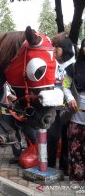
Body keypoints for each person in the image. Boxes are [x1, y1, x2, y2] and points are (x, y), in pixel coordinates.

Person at [47, 36, 75, 175]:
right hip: (54, 109)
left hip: (69, 110)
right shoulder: (51, 64)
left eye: (57, 47)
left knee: (66, 139)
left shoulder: (73, 66)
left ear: (65, 49)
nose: (54, 49)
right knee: (52, 137)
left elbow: (70, 87)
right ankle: (50, 166)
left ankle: (64, 168)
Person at [65, 38, 85, 181]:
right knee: (75, 150)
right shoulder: (72, 68)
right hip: (76, 118)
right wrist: (70, 98)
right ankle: (77, 179)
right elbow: (66, 86)